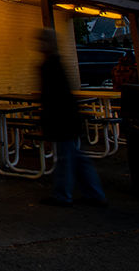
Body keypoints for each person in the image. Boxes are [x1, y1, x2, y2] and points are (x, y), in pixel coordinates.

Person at [39, 28, 106, 207]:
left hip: (62, 120)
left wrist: (48, 121)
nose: (40, 44)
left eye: (42, 41)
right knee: (76, 157)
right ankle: (93, 194)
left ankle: (63, 195)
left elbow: (54, 97)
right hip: (67, 119)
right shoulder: (55, 63)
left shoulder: (50, 65)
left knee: (66, 158)